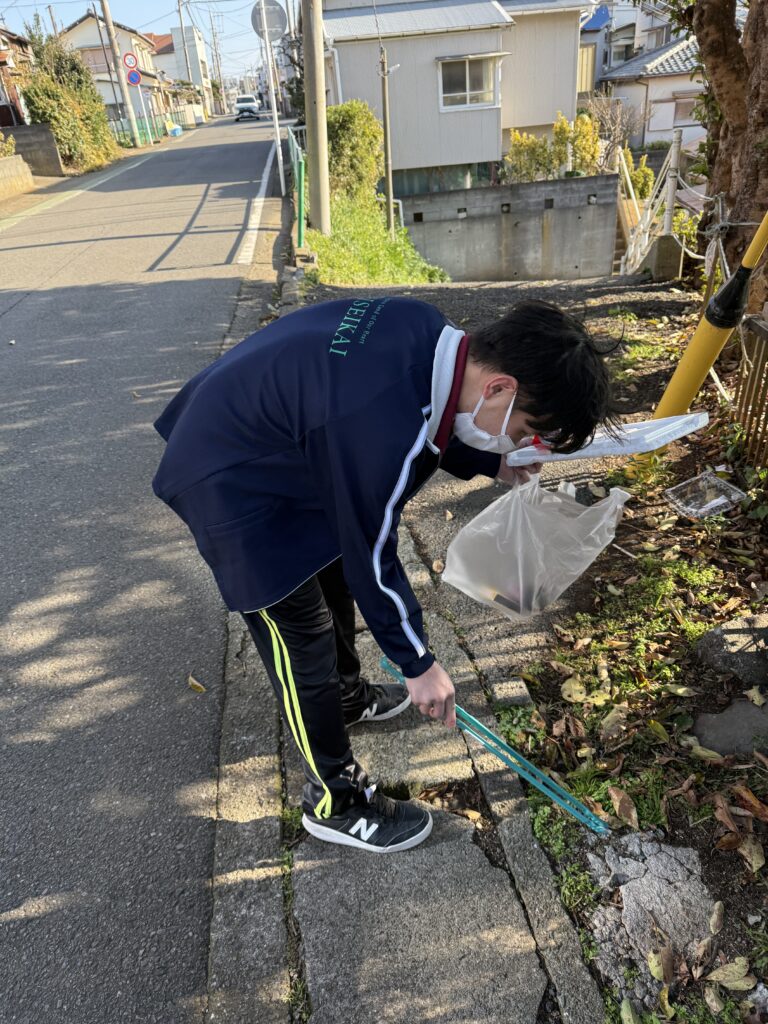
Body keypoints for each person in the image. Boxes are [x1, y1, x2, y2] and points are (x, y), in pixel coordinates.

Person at [152, 297, 617, 853]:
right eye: (522, 432)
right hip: (227, 476)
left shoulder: (427, 332)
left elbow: (431, 426)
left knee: (330, 572)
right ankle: (334, 800)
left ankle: (346, 697)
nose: (518, 443)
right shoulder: (378, 422)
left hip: (263, 431)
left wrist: (488, 461)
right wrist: (417, 661)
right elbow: (371, 550)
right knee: (300, 636)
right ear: (499, 387)